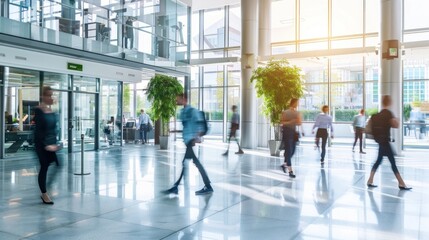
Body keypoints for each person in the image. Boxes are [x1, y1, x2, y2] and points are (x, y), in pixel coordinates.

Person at [163, 94, 213, 195]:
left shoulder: (193, 111)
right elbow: (187, 127)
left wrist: (197, 137)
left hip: (191, 141)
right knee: (189, 163)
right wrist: (175, 131)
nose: (176, 101)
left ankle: (207, 186)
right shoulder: (183, 112)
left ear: (184, 99)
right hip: (187, 141)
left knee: (190, 163)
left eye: (178, 99)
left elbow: (200, 125)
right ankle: (177, 186)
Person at [366, 95, 412, 190]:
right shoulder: (388, 114)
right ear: (389, 102)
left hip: (380, 141)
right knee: (392, 162)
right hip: (385, 142)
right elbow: (396, 125)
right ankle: (401, 183)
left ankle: (370, 180)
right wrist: (398, 120)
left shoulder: (378, 115)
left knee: (379, 161)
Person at [34, 86, 59, 204]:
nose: (51, 97)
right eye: (48, 95)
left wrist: (55, 143)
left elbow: (53, 130)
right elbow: (38, 131)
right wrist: (45, 145)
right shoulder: (39, 110)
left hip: (51, 144)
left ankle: (46, 187)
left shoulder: (52, 111)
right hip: (41, 144)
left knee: (58, 165)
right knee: (44, 167)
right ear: (43, 97)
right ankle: (44, 193)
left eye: (52, 95)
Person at [280, 98, 302, 178]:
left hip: (293, 133)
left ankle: (285, 164)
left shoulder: (297, 113)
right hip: (286, 132)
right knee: (289, 152)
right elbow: (282, 122)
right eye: (297, 103)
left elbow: (299, 123)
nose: (297, 104)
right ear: (293, 103)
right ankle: (290, 171)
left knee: (293, 151)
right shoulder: (285, 112)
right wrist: (291, 121)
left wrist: (298, 120)